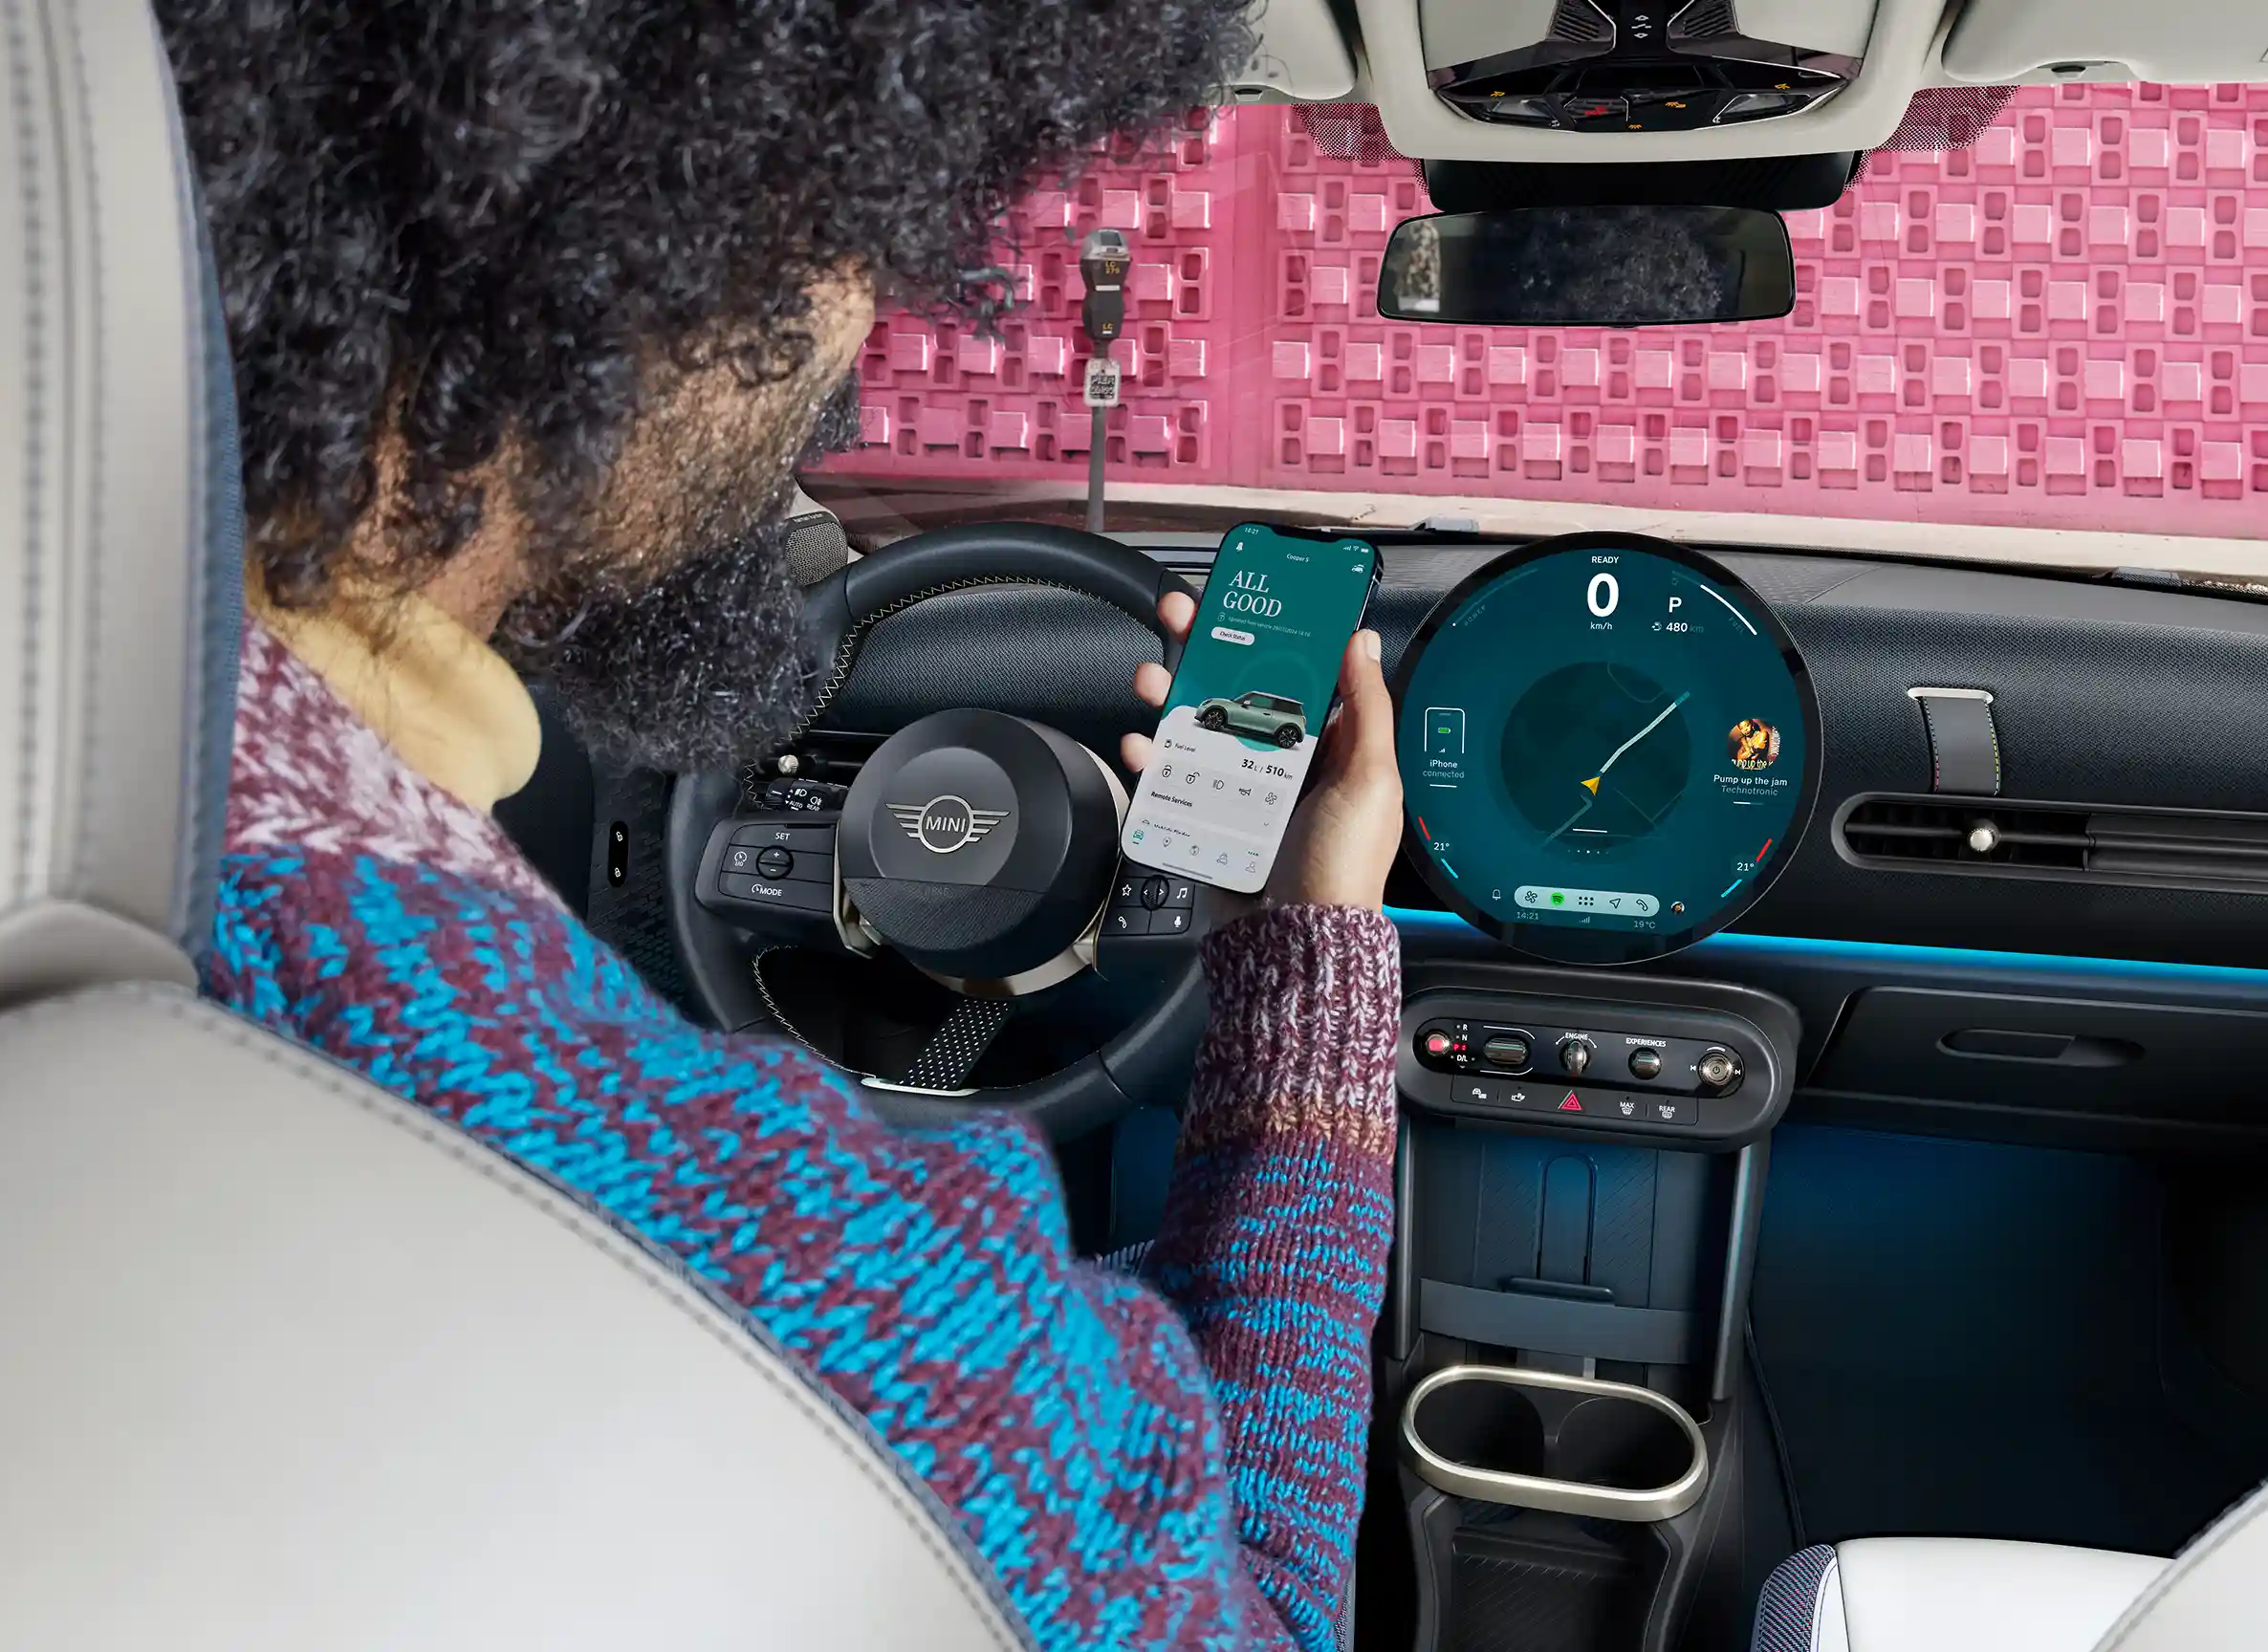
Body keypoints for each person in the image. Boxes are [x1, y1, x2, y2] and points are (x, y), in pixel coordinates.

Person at [161, 3, 1406, 1646]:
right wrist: (1309, 959)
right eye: (861, 225)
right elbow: (1265, 1613)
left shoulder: (80, 772)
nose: (868, 332)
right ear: (661, 228)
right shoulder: (805, 1259)